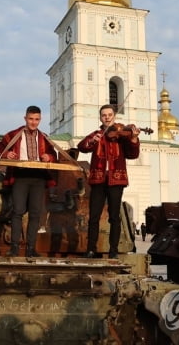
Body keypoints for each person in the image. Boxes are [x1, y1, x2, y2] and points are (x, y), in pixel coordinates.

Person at [78, 104, 141, 259]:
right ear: (100, 118)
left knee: (114, 216)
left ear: (114, 116)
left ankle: (113, 250)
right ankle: (90, 249)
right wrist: (93, 139)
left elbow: (133, 155)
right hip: (98, 178)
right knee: (94, 216)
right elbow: (82, 147)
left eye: (109, 115)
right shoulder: (97, 134)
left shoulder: (121, 135)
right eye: (104, 115)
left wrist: (133, 138)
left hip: (116, 179)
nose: (107, 117)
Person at [0, 105, 58, 257]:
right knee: (17, 211)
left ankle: (31, 249)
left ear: (40, 120)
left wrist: (48, 157)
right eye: (31, 119)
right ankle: (15, 248)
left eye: (36, 119)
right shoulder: (14, 134)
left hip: (38, 177)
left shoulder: (44, 137)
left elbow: (53, 154)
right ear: (25, 118)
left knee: (35, 214)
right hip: (20, 176)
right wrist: (7, 153)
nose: (33, 122)